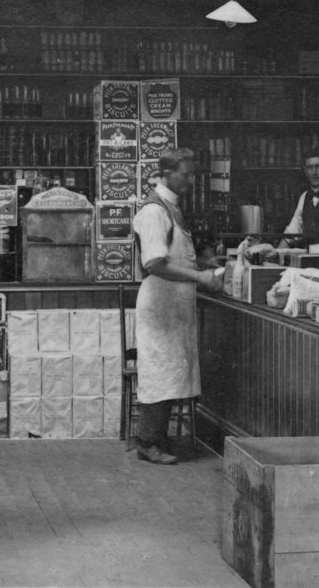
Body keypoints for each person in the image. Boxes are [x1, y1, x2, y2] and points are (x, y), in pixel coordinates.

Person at [132, 149, 224, 465]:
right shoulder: (154, 212)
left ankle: (159, 438)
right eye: (185, 174)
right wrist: (200, 276)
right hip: (160, 303)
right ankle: (147, 442)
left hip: (173, 304)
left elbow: (175, 257)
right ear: (167, 172)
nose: (190, 179)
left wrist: (202, 263)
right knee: (159, 372)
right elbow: (156, 263)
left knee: (170, 372)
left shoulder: (171, 208)